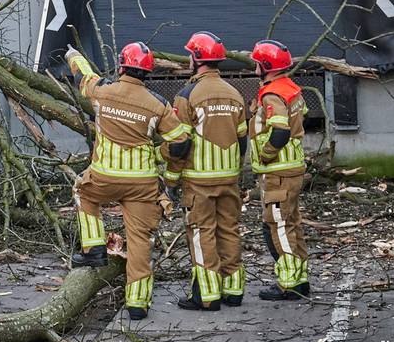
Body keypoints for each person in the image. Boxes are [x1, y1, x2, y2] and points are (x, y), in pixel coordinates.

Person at [62, 42, 186, 320]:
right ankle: (138, 304)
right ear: (147, 72)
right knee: (140, 240)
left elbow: (84, 78)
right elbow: (180, 142)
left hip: (104, 177)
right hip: (142, 184)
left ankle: (93, 249)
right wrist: (159, 154)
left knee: (83, 192)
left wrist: (74, 55)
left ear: (121, 66)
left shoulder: (103, 92)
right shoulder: (158, 104)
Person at [164, 32, 248, 311]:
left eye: (191, 54)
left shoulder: (188, 95)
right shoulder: (235, 93)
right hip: (229, 179)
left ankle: (207, 296)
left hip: (198, 181)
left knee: (202, 234)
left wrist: (171, 181)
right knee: (229, 230)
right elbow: (242, 140)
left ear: (197, 58)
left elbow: (180, 144)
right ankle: (234, 290)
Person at [248, 39, 310, 300]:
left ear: (266, 65)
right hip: (292, 169)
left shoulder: (273, 94)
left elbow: (281, 130)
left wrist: (265, 155)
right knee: (291, 223)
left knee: (278, 227)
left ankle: (288, 283)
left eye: (256, 64)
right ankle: (300, 278)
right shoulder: (291, 88)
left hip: (278, 172)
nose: (254, 70)